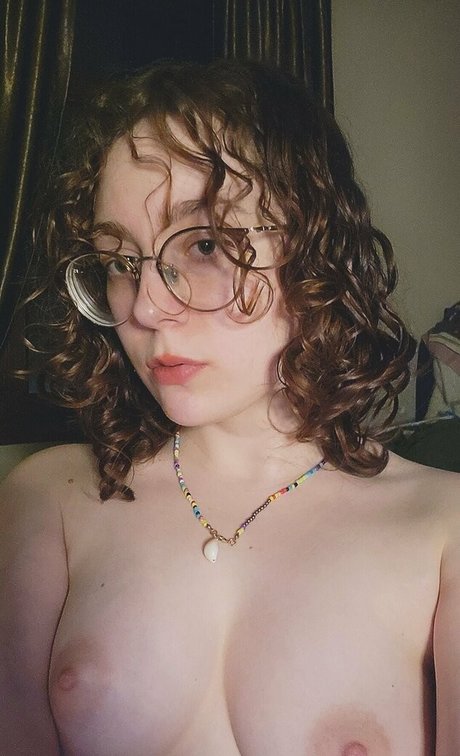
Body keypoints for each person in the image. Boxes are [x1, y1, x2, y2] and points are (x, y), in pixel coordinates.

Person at [0, 59, 459, 756]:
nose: (147, 308)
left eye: (206, 245)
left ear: (314, 247)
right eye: (120, 261)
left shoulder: (443, 531)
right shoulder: (47, 499)